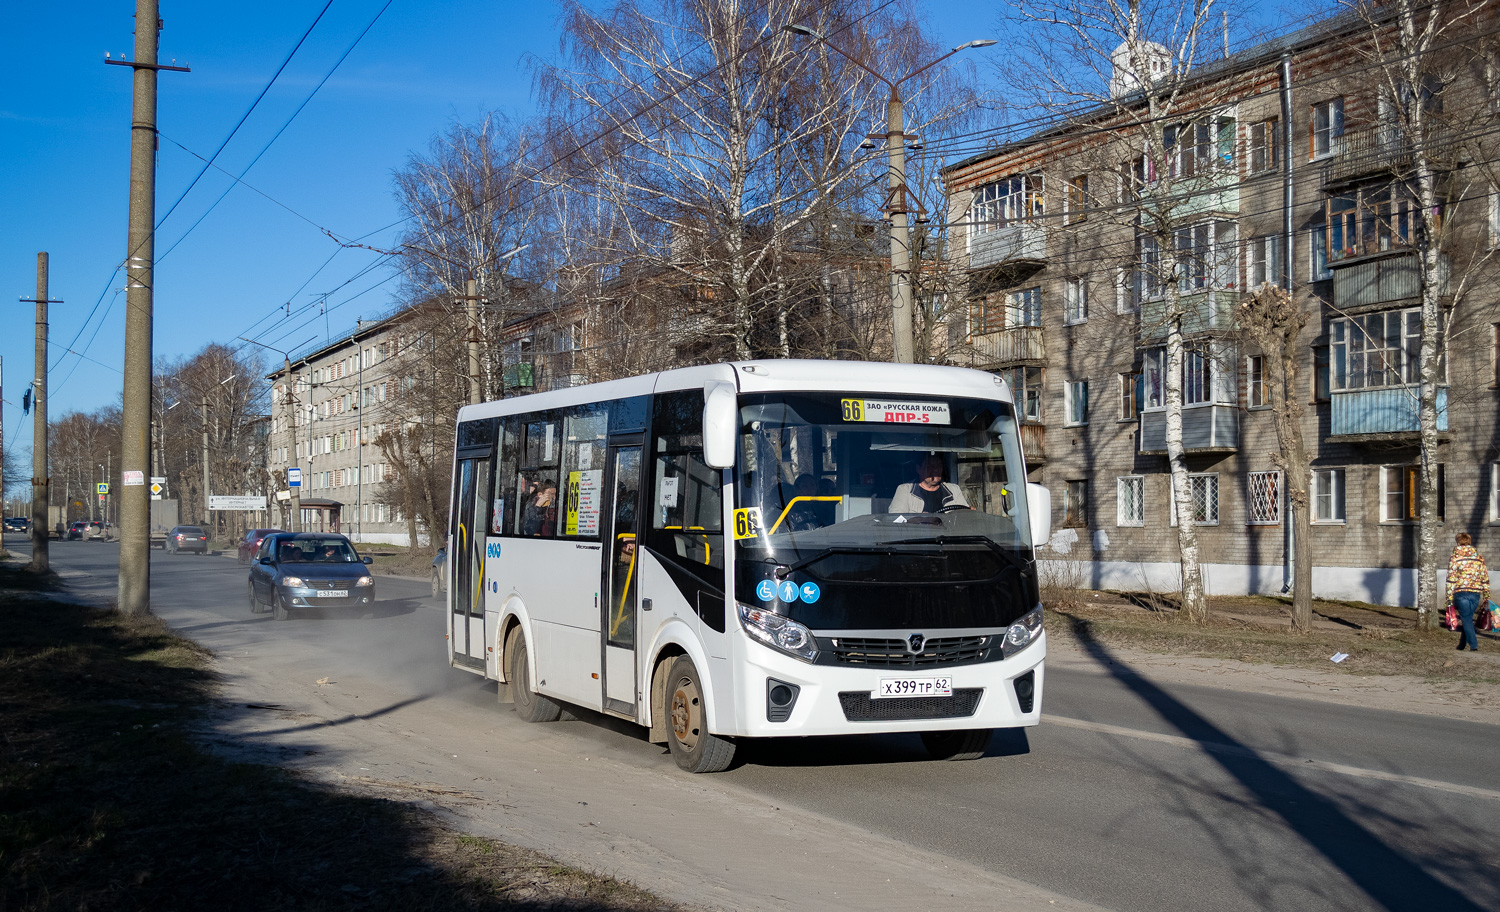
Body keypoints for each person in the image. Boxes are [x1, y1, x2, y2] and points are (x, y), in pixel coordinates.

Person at [1445, 532, 1489, 652]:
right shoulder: (1479, 558)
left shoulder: (1455, 558)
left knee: (1466, 619)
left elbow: (1451, 578)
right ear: (1469, 542)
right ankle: (1461, 645)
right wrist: (1486, 594)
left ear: (1458, 542)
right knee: (1467, 618)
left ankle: (1473, 645)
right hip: (1476, 592)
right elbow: (1484, 576)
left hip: (1461, 592)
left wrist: (1448, 596)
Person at [888, 454, 969, 513]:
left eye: (939, 466)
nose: (936, 470)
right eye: (930, 466)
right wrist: (918, 519)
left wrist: (970, 513)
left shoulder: (954, 489)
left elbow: (964, 517)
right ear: (918, 469)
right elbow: (895, 519)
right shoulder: (905, 490)